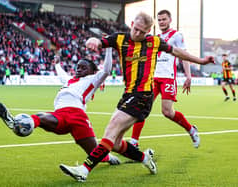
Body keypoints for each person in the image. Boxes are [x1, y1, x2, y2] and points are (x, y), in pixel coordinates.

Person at [59, 11, 214, 182]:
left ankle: (84, 169)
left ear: (148, 31)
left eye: (143, 32)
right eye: (136, 29)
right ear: (132, 24)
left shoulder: (154, 41)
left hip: (143, 96)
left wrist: (200, 61)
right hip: (128, 94)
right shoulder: (119, 38)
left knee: (111, 130)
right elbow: (101, 41)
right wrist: (93, 40)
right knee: (116, 144)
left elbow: (176, 51)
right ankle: (145, 158)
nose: (138, 34)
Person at [0, 48, 120, 165]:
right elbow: (61, 74)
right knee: (40, 117)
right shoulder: (69, 80)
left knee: (95, 154)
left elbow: (106, 70)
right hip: (59, 114)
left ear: (92, 72)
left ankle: (108, 158)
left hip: (77, 116)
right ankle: (16, 124)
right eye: (78, 67)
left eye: (83, 68)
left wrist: (108, 48)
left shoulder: (92, 80)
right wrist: (56, 63)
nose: (79, 69)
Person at [130, 9, 199, 149]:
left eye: (164, 19)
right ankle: (134, 141)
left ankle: (191, 129)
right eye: (159, 20)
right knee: (141, 108)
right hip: (152, 78)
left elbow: (184, 55)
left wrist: (188, 75)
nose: (161, 22)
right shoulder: (154, 37)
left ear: (170, 20)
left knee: (167, 112)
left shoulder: (177, 35)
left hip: (168, 77)